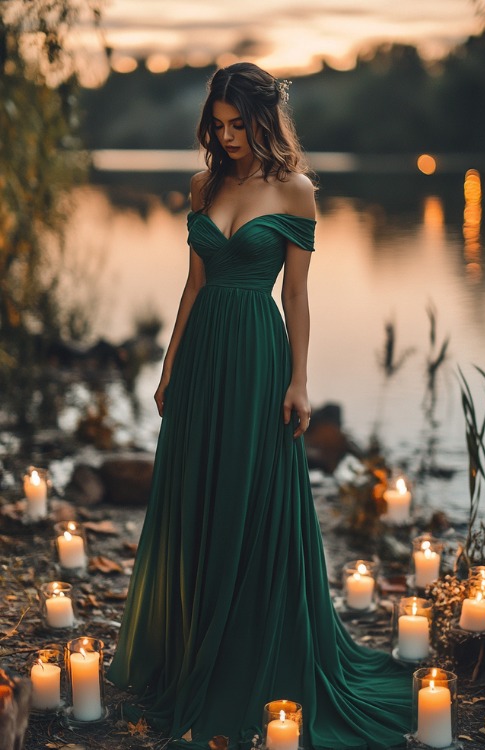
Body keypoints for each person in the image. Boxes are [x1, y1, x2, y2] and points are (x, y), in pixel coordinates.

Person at [107, 62, 412, 750]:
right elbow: (192, 286)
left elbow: (297, 297)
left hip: (257, 354)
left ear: (263, 120)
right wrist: (169, 361)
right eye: (217, 126)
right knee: (198, 498)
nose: (227, 136)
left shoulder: (297, 192)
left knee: (250, 497)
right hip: (205, 352)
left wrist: (300, 380)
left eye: (237, 124)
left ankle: (249, 656)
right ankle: (192, 649)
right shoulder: (203, 184)